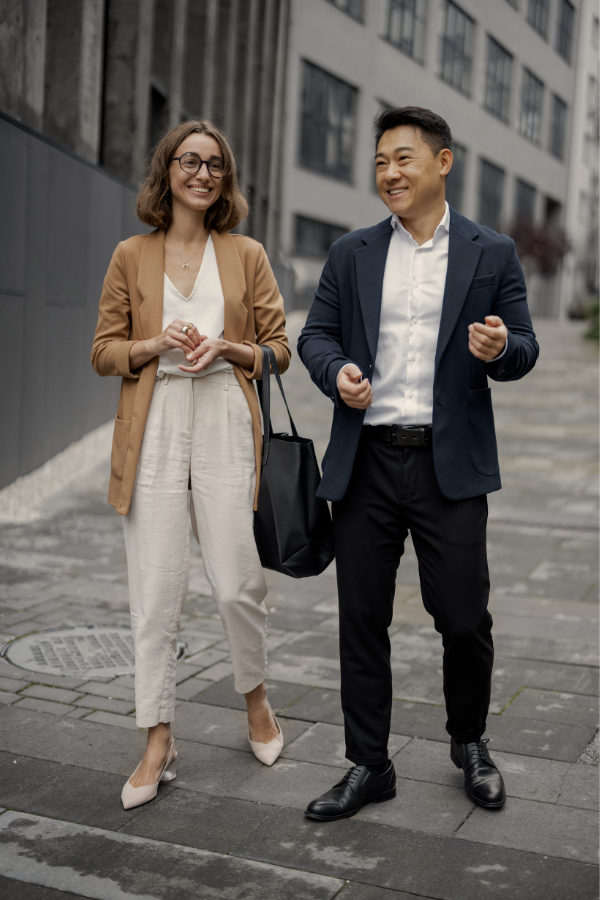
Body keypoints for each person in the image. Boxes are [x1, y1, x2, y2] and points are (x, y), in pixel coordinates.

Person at [297, 106, 538, 821]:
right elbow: (316, 336)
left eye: (402, 158)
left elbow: (523, 343)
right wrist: (337, 369)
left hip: (449, 465)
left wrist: (501, 350)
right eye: (379, 162)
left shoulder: (490, 252)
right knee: (360, 619)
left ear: (442, 163)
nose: (389, 173)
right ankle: (369, 764)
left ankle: (469, 742)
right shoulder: (352, 252)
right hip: (367, 459)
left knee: (463, 617)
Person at [91, 119, 290, 810]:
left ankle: (257, 702)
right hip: (154, 419)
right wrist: (152, 343)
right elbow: (103, 351)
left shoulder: (246, 254)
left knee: (237, 579)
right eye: (189, 161)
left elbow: (278, 349)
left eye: (215, 164)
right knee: (156, 589)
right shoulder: (130, 254)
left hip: (224, 418)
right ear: (167, 170)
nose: (202, 173)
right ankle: (158, 737)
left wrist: (230, 349)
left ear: (225, 178)